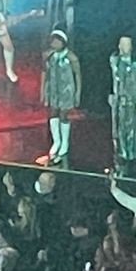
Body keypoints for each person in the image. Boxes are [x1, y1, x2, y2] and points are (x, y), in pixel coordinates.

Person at [109, 36, 136, 174]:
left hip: (132, 99)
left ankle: (131, 153)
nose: (124, 47)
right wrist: (110, 93)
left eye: (127, 44)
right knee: (117, 127)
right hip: (118, 99)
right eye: (122, 44)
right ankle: (119, 153)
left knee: (131, 127)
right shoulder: (114, 61)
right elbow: (109, 78)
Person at [41, 29, 79, 167]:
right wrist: (42, 91)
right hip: (53, 89)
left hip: (66, 90)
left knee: (63, 114)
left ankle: (64, 142)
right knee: (53, 113)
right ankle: (56, 141)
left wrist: (77, 93)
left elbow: (77, 75)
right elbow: (44, 73)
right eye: (53, 41)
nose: (54, 44)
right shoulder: (49, 56)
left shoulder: (71, 57)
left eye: (57, 41)